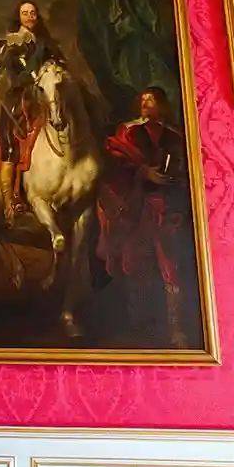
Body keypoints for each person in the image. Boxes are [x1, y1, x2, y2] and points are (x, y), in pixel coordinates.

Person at [95, 85, 193, 347]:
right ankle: (139, 324)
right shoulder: (127, 131)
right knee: (135, 262)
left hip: (168, 206)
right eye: (143, 99)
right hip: (136, 207)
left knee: (170, 266)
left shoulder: (175, 134)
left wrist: (173, 177)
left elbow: (186, 166)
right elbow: (115, 164)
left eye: (152, 99)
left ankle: (175, 328)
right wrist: (142, 173)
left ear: (161, 104)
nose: (146, 103)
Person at [0, 0, 64, 223]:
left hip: (45, 100)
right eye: (24, 13)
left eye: (32, 12)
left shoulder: (47, 44)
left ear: (37, 17)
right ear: (18, 17)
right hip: (17, 102)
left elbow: (62, 68)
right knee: (9, 142)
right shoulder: (6, 45)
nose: (29, 16)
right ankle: (10, 202)